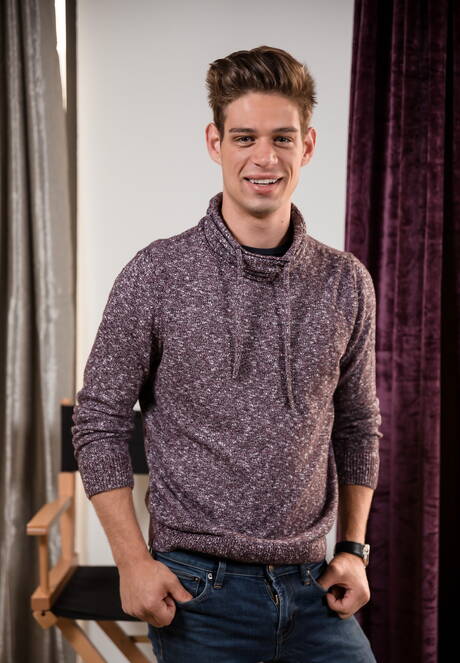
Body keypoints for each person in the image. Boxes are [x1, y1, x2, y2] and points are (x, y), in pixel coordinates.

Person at [72, 45, 382, 663]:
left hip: (314, 587)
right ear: (215, 143)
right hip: (197, 592)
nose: (264, 158)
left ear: (308, 145)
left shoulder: (346, 281)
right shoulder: (157, 273)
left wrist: (354, 547)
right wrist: (132, 562)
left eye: (282, 138)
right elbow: (98, 422)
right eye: (245, 138)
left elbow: (357, 425)